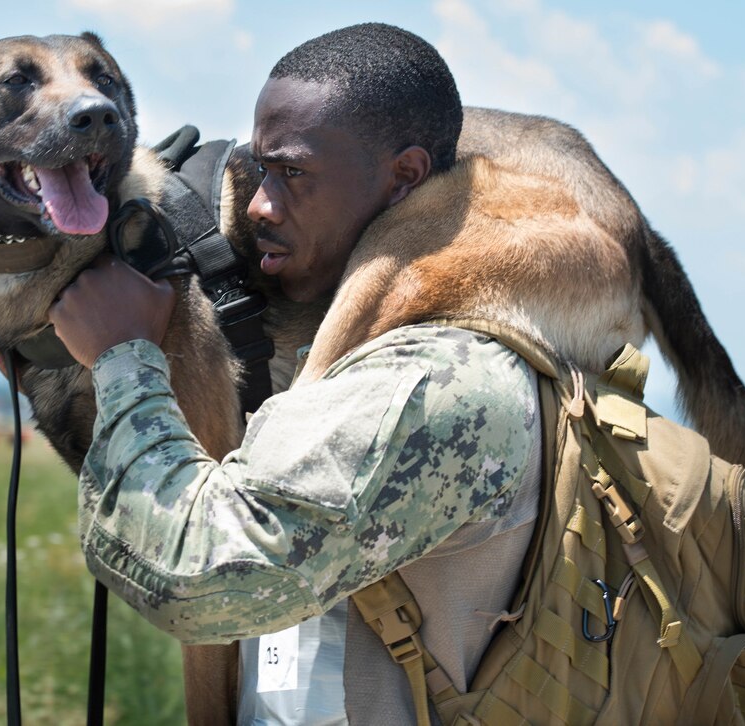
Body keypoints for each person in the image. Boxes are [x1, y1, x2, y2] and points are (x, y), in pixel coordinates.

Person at [28, 24, 542, 724]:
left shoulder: (439, 380)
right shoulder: (351, 359)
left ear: (406, 177)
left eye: (294, 174)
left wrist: (124, 360)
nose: (260, 205)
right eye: (260, 169)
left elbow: (198, 585)